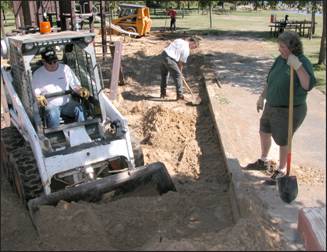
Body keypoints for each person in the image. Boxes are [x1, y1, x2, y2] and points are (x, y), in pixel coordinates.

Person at [244, 31, 316, 184]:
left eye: (282, 47)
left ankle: (282, 170)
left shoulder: (302, 61)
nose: (279, 49)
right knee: (264, 131)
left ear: (292, 47)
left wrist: (297, 66)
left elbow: (307, 85)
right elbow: (270, 80)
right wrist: (262, 97)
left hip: (288, 109)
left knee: (283, 139)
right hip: (271, 105)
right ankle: (263, 160)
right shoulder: (280, 59)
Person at [32, 47, 90, 128]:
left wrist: (80, 90)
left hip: (66, 103)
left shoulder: (65, 69)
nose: (53, 64)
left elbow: (74, 85)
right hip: (50, 105)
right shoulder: (38, 74)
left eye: (55, 61)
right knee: (53, 114)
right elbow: (36, 91)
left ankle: (84, 130)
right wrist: (38, 97)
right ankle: (55, 137)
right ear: (44, 62)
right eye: (50, 62)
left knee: (79, 108)